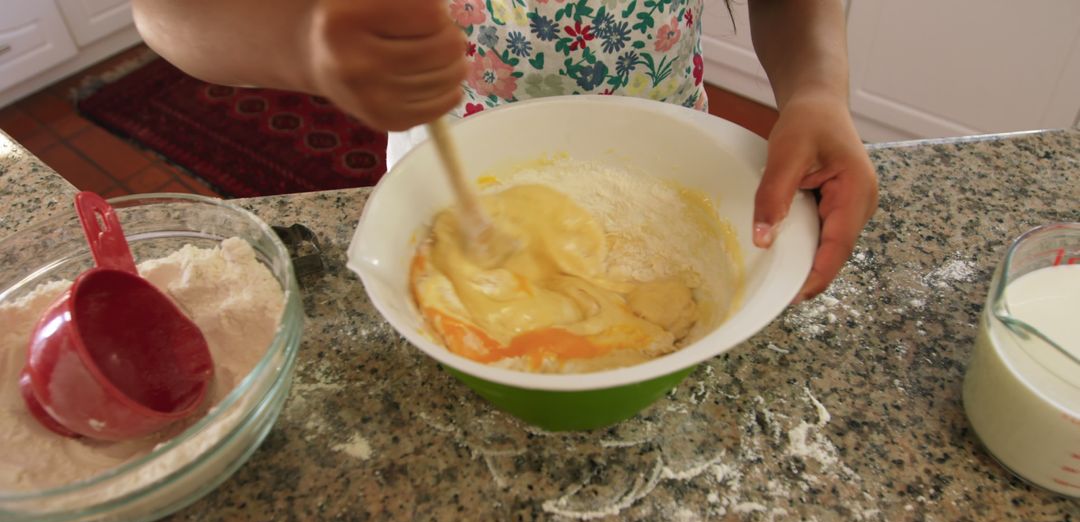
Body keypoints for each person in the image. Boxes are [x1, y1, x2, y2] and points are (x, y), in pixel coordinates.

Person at [131, 0, 877, 302]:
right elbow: (170, 11)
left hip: (678, 170)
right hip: (451, 192)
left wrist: (816, 87)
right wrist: (299, 41)